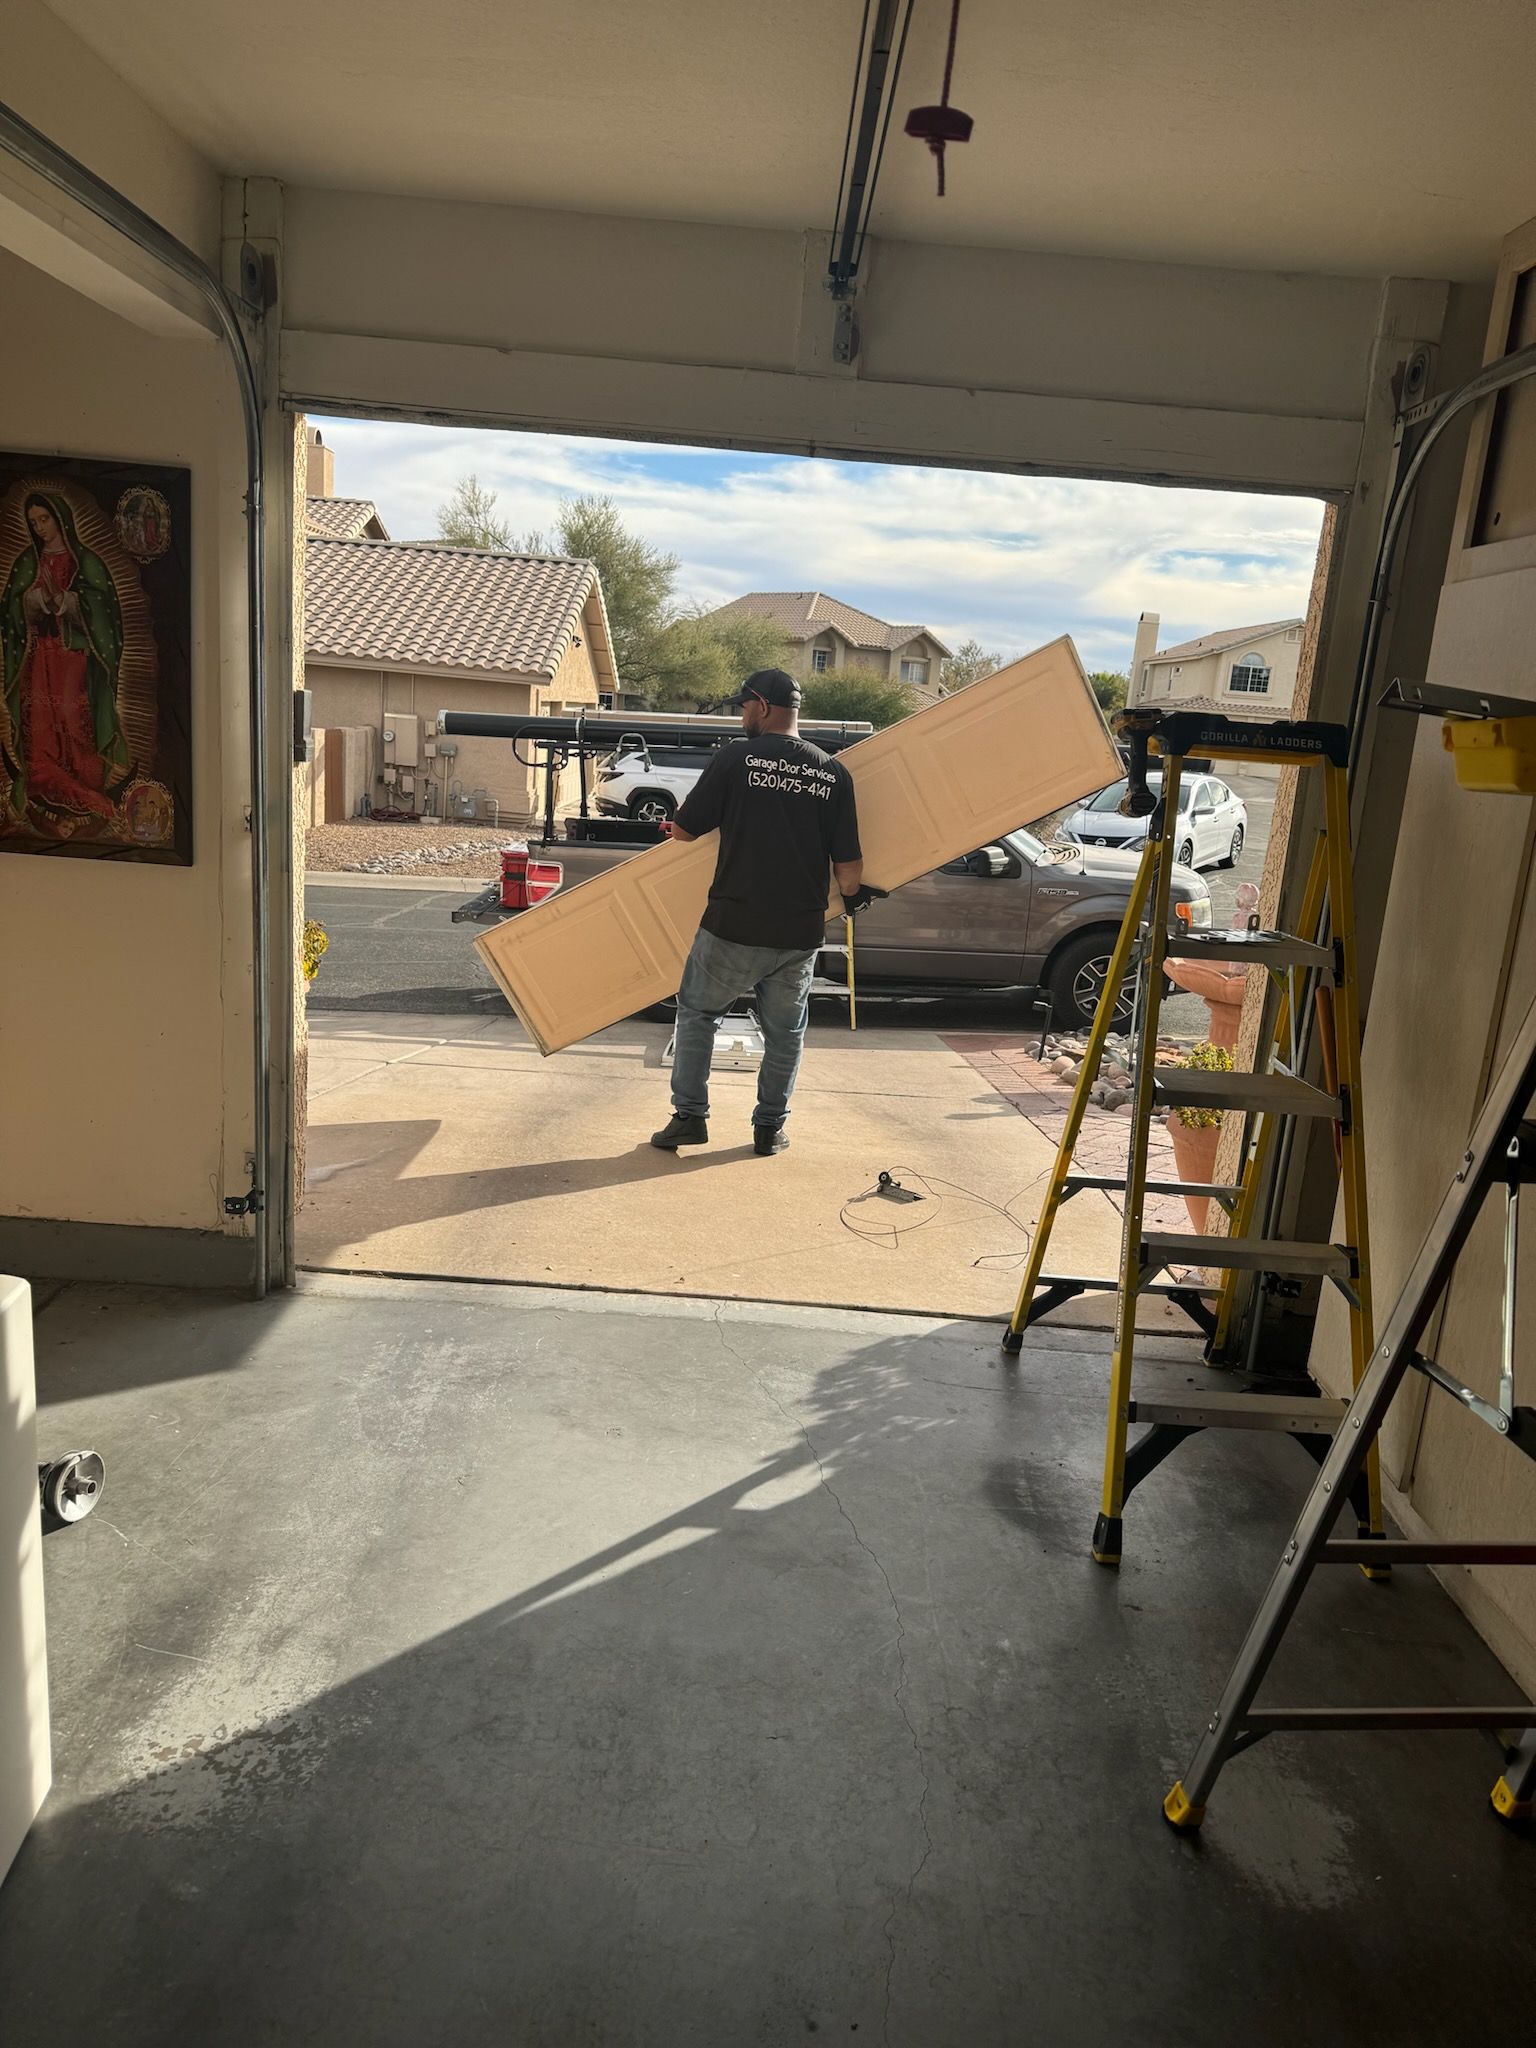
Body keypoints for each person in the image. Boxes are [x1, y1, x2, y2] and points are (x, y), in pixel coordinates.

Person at [651, 668, 879, 1157]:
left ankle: (690, 1118)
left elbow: (686, 831)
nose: (741, 715)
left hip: (733, 923)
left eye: (743, 706)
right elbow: (849, 866)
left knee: (698, 1015)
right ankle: (769, 1129)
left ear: (761, 705)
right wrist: (853, 895)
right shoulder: (833, 772)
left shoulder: (737, 758)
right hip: (797, 932)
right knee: (785, 1035)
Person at [1, 490, 129, 830]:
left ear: (60, 519)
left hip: (73, 655)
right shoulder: (28, 563)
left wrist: (69, 601)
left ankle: (84, 786)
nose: (40, 528)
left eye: (45, 519)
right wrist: (33, 599)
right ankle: (44, 780)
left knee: (74, 718)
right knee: (41, 718)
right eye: (34, 523)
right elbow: (10, 610)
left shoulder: (86, 562)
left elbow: (106, 611)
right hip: (39, 654)